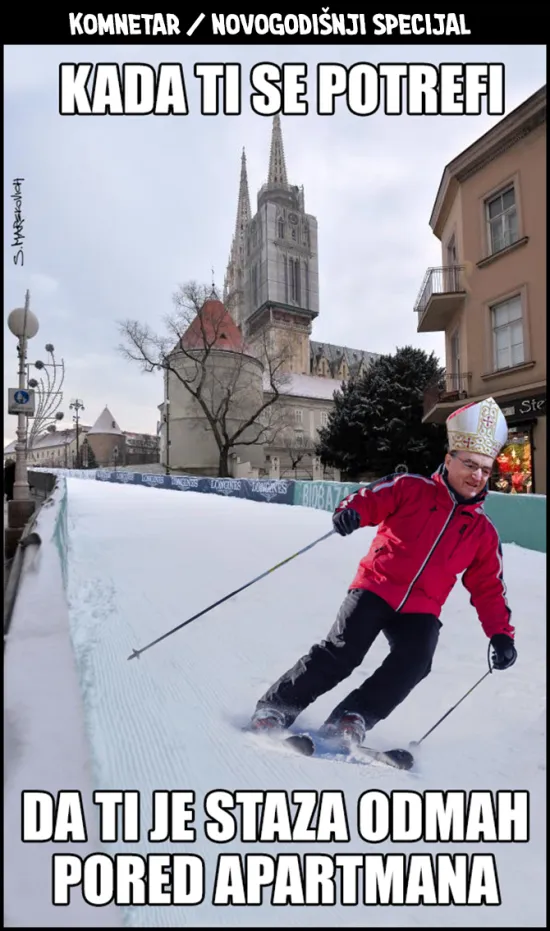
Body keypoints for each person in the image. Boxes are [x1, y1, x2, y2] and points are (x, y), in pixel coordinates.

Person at [249, 397, 517, 747]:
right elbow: (368, 497)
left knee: (417, 660)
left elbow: (489, 588)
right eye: (470, 464)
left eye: (485, 469)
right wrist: (351, 512)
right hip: (376, 587)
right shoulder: (411, 488)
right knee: (342, 653)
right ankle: (275, 709)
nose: (478, 476)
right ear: (449, 459)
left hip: (421, 607)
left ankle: (351, 717)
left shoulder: (483, 532)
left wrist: (501, 634)